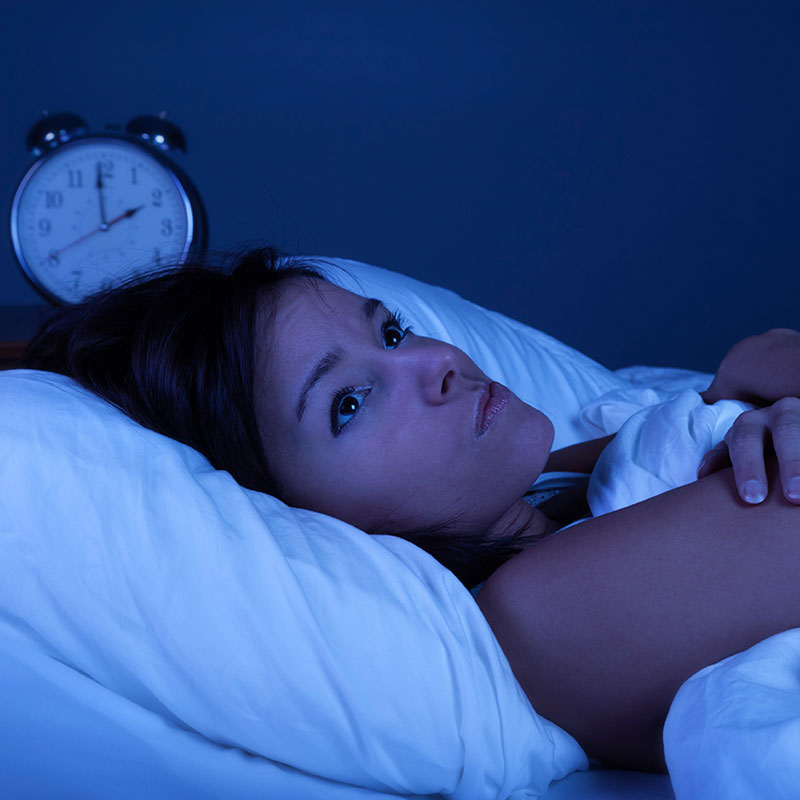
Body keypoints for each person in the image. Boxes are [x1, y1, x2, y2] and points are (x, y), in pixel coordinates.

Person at [19, 245, 800, 773]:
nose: (433, 363)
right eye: (349, 403)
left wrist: (735, 388)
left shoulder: (553, 492)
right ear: (295, 512)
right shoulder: (545, 611)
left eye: (390, 331)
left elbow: (675, 426)